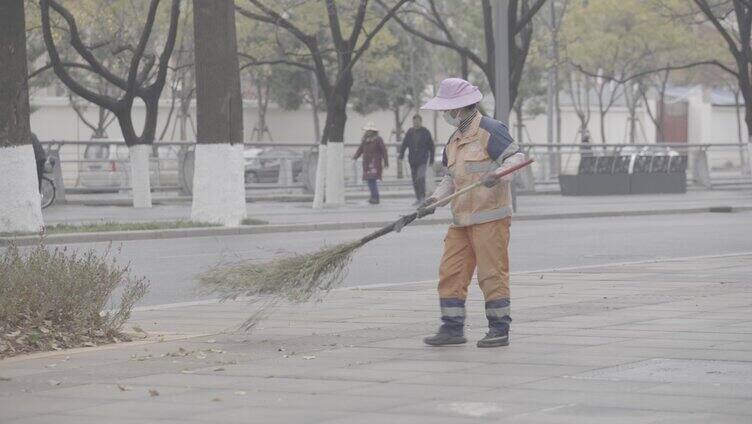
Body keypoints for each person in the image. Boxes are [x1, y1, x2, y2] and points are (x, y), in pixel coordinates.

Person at [417, 78, 527, 348]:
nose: (445, 114)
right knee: (450, 272)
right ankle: (452, 328)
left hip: (490, 217)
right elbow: (449, 179)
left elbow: (517, 159)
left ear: (459, 108)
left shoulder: (491, 130)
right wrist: (433, 200)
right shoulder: (454, 140)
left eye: (447, 109)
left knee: (491, 274)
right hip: (460, 221)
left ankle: (499, 329)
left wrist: (498, 175)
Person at [399, 114, 435, 205]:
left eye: (417, 122)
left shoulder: (426, 132)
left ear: (420, 122)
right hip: (412, 160)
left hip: (422, 160)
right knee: (415, 180)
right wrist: (401, 156)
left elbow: (431, 146)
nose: (415, 123)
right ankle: (418, 198)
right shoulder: (410, 132)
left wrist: (431, 159)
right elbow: (404, 145)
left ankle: (422, 197)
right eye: (414, 122)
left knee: (421, 177)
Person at [353, 122, 388, 204]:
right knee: (369, 181)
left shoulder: (378, 140)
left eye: (370, 130)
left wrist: (386, 162)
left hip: (375, 163)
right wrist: (355, 157)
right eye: (367, 130)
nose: (368, 132)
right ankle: (373, 196)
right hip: (366, 163)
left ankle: (375, 197)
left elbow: (384, 151)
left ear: (373, 131)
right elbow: (360, 149)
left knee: (372, 180)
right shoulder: (365, 140)